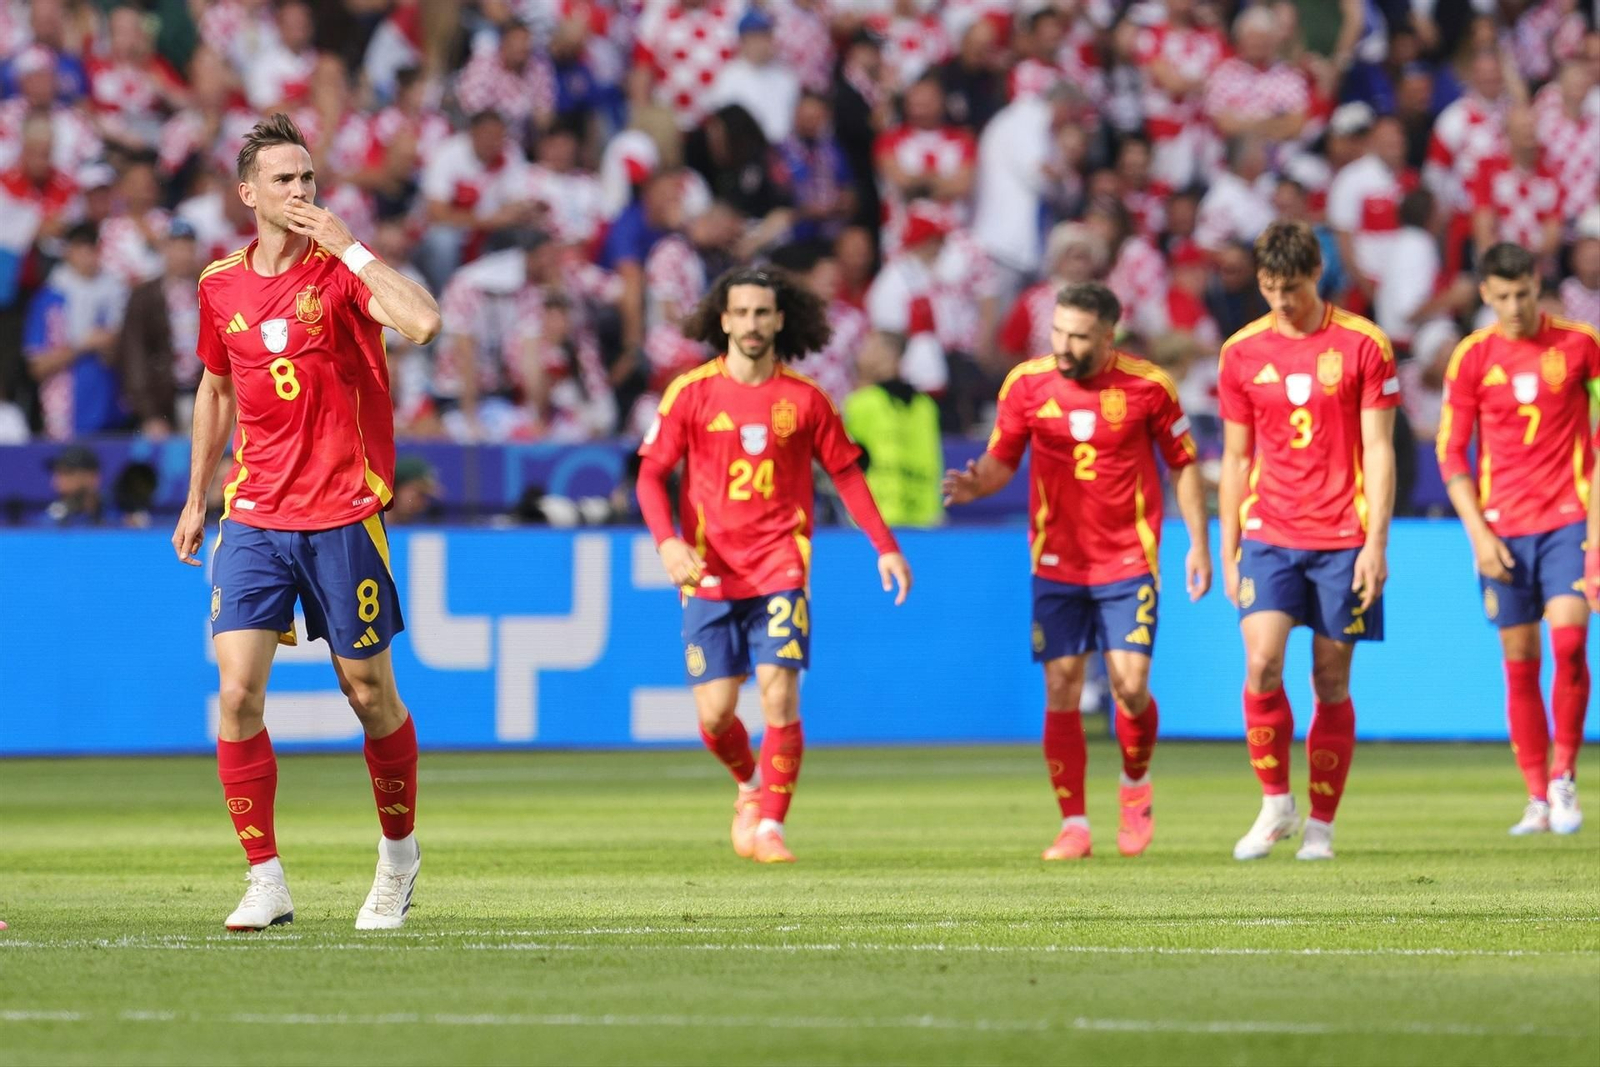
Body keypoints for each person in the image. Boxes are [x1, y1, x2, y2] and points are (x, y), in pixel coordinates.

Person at [170, 114, 442, 931]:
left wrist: (351, 243)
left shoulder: (341, 271)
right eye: (284, 180)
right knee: (237, 693)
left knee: (368, 694)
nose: (300, 191)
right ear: (247, 192)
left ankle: (398, 860)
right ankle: (266, 877)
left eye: (310, 178)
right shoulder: (219, 285)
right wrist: (196, 495)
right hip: (253, 513)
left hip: (342, 513)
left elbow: (422, 322)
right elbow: (216, 389)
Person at [634, 266, 912, 864]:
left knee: (780, 700)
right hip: (707, 573)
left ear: (780, 320)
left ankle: (771, 829)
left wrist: (885, 545)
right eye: (743, 313)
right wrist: (666, 543)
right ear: (724, 319)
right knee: (715, 717)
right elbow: (652, 475)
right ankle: (749, 788)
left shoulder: (806, 398)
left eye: (764, 313)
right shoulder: (691, 393)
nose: (754, 324)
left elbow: (845, 474)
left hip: (781, 567)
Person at [942, 282, 1211, 860]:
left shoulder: (1147, 387)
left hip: (1127, 560)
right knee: (1061, 687)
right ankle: (1074, 825)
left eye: (1079, 336)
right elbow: (1001, 461)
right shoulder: (1027, 384)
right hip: (1057, 562)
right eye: (1058, 331)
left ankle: (1135, 787)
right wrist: (976, 484)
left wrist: (1198, 543)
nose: (1064, 344)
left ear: (1108, 336)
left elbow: (1183, 465)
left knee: (1130, 686)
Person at [1216, 220, 1399, 863]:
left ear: (1316, 275)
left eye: (1291, 288)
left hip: (1342, 538)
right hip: (1269, 533)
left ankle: (1321, 822)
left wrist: (1376, 542)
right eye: (1269, 288)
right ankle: (1275, 804)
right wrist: (1228, 545)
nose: (1281, 302)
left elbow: (1378, 449)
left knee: (1329, 677)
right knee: (1261, 663)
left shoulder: (1363, 345)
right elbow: (1235, 458)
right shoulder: (1240, 352)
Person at [1436, 242, 1598, 836]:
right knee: (1520, 660)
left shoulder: (1580, 345)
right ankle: (1535, 795)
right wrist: (1477, 534)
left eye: (1523, 292)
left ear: (1537, 283)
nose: (1514, 305)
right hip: (1502, 529)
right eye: (1501, 296)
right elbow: (1451, 451)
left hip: (1567, 521)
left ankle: (1563, 777)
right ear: (1484, 293)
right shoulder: (1471, 358)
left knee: (1571, 644)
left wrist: (1596, 536)